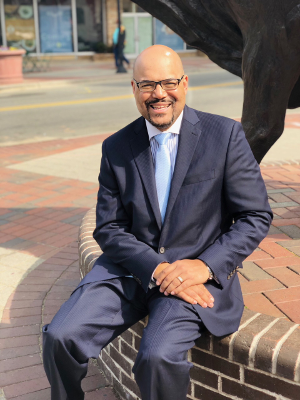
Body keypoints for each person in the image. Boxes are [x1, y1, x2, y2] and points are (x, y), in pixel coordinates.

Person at [43, 45, 272, 400]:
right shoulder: (116, 147)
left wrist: (205, 265)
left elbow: (254, 216)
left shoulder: (224, 136)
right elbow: (108, 226)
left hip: (194, 272)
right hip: (130, 270)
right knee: (59, 336)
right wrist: (156, 268)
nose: (159, 94)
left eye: (168, 83)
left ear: (184, 83)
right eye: (148, 85)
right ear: (134, 89)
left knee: (157, 357)